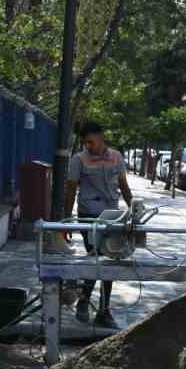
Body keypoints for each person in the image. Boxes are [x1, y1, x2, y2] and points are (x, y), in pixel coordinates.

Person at [63, 121, 134, 329]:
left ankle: (103, 310)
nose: (88, 146)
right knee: (95, 257)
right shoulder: (79, 160)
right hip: (88, 216)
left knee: (109, 260)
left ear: (101, 137)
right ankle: (85, 302)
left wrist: (133, 211)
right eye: (85, 143)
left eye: (91, 142)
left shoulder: (116, 157)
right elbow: (70, 191)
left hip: (111, 217)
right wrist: (66, 222)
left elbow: (124, 185)